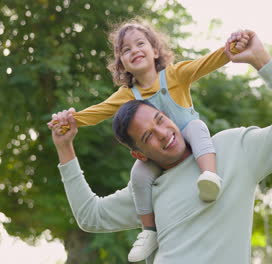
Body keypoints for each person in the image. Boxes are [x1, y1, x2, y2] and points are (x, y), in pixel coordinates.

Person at [50, 30, 272, 263]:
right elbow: (90, 216)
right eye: (147, 137)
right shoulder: (147, 188)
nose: (163, 133)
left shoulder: (233, 148)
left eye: (160, 119)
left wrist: (261, 60)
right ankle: (149, 232)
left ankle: (209, 177)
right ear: (139, 154)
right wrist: (65, 146)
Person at [48, 18, 249, 261]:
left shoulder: (175, 75)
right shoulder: (126, 96)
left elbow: (206, 63)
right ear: (121, 63)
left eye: (140, 44)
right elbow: (98, 112)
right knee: (139, 175)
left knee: (197, 127)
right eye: (126, 50)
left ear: (155, 50)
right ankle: (149, 230)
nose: (134, 51)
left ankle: (209, 176)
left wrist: (232, 49)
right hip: (159, 156)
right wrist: (70, 120)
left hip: (189, 141)